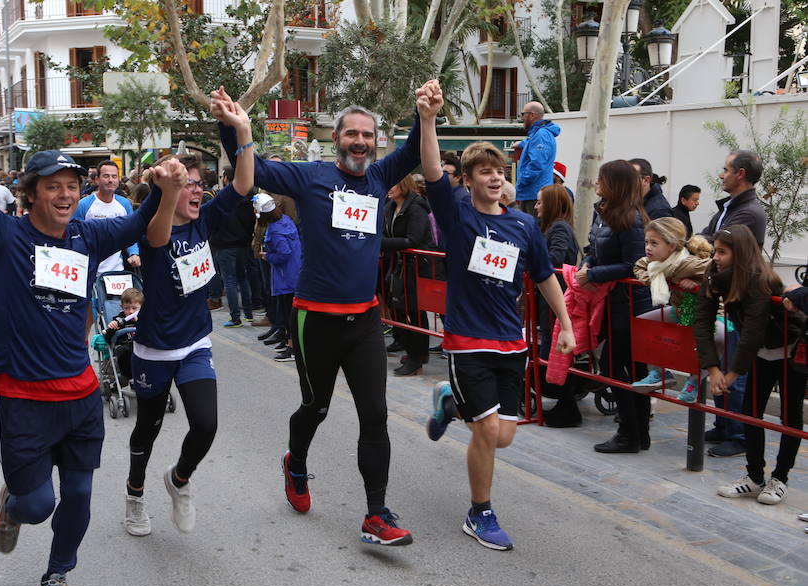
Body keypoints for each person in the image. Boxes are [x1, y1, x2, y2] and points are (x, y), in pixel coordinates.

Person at [0, 86, 181, 586]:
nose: (66, 194)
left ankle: (56, 574)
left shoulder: (85, 238)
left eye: (73, 184)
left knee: (82, 494)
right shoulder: (3, 234)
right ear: (31, 193)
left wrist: (163, 185)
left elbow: (139, 223)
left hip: (80, 394)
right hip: (23, 396)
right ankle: (12, 505)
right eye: (53, 186)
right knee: (37, 505)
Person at [213, 83, 427, 545]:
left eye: (367, 135)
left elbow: (413, 149)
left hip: (366, 319)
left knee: (375, 414)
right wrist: (231, 126)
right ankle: (297, 464)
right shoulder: (310, 177)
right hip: (316, 318)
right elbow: (254, 169)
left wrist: (422, 109)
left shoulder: (379, 176)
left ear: (375, 142)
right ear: (336, 138)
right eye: (351, 133)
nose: (360, 142)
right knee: (318, 406)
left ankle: (376, 513)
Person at [418, 82, 575, 551]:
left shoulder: (524, 225)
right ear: (467, 180)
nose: (491, 177)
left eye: (497, 171)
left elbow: (546, 277)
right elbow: (430, 172)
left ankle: (450, 403)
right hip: (468, 340)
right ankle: (479, 512)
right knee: (486, 431)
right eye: (482, 172)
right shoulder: (458, 216)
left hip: (513, 342)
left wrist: (565, 325)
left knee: (503, 436)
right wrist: (428, 119)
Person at [124, 98, 253, 538]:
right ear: (169, 193)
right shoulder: (154, 229)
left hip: (195, 342)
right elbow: (159, 235)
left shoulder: (204, 221)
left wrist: (243, 129)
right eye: (190, 185)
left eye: (201, 184)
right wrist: (169, 188)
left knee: (206, 424)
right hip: (154, 348)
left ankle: (179, 481)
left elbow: (243, 182)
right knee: (147, 429)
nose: (198, 191)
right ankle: (135, 496)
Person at [694, 225, 806, 505]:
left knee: (789, 417)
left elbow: (753, 332)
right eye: (715, 250)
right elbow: (702, 322)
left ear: (740, 253)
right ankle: (754, 477)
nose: (716, 257)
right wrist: (712, 368)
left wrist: (731, 374)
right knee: (750, 413)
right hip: (759, 353)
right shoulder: (715, 275)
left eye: (722, 252)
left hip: (788, 351)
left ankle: (780, 478)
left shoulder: (757, 278)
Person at [579, 160, 652, 453]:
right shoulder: (604, 213)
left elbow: (634, 265)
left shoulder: (632, 219)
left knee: (621, 366)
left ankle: (630, 433)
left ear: (615, 184)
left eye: (601, 179)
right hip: (610, 303)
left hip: (630, 306)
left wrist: (594, 274)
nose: (596, 183)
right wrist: (587, 265)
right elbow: (592, 249)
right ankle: (637, 432)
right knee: (631, 369)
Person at [699, 150, 767, 457]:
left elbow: (715, 247)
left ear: (740, 173)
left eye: (725, 169)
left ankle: (738, 433)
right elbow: (704, 239)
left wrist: (704, 264)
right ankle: (725, 424)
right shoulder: (728, 207)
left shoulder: (749, 212)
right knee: (723, 365)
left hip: (738, 300)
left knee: (735, 373)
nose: (720, 174)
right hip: (723, 297)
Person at [630, 218, 713, 402]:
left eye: (654, 243)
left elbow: (716, 270)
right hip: (679, 309)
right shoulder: (655, 262)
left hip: (707, 313)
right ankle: (660, 372)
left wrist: (698, 283)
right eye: (646, 242)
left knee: (706, 342)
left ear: (672, 246)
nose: (648, 248)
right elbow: (639, 266)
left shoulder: (687, 264)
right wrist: (652, 280)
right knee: (643, 324)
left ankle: (694, 380)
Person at [532, 184, 581, 427]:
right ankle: (564, 405)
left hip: (557, 299)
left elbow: (555, 259)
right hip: (550, 300)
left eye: (541, 202)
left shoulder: (559, 227)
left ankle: (568, 408)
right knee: (552, 353)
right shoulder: (551, 227)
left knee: (558, 354)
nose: (536, 206)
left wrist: (530, 259)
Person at [382, 174, 435, 376]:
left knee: (415, 312)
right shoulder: (390, 206)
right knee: (401, 309)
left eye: (392, 183)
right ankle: (413, 352)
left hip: (417, 267)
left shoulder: (416, 206)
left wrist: (381, 243)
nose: (388, 188)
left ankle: (417, 357)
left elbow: (413, 239)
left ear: (403, 184)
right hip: (399, 266)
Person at [254, 193, 302, 362]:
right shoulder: (285, 221)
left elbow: (284, 253)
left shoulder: (275, 230)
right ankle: (289, 342)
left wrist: (268, 256)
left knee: (289, 313)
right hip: (292, 274)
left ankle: (292, 348)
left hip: (285, 276)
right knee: (289, 312)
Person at [209, 163, 257, 328]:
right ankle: (248, 314)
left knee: (229, 280)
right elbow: (252, 222)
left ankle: (235, 317)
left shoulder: (222, 198)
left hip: (224, 244)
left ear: (227, 178)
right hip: (243, 243)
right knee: (242, 279)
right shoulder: (249, 198)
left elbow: (214, 219)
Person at [73, 160, 141, 275]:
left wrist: (134, 253)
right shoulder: (83, 205)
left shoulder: (124, 204)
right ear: (97, 180)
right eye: (106, 176)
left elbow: (131, 233)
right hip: (89, 273)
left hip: (117, 271)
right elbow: (74, 237)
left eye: (114, 176)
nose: (110, 180)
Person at [515, 101, 560, 215]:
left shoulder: (541, 135)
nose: (522, 118)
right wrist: (521, 144)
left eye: (523, 114)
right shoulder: (538, 134)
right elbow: (533, 144)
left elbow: (537, 164)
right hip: (533, 193)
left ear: (532, 115)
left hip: (534, 195)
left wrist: (521, 182)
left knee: (533, 230)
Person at [103, 286, 143, 380]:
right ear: (122, 308)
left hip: (140, 345)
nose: (130, 311)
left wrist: (138, 322)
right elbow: (108, 339)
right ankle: (129, 377)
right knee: (123, 350)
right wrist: (112, 328)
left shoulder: (143, 319)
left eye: (134, 308)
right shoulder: (119, 319)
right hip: (124, 346)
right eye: (127, 308)